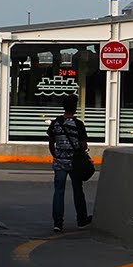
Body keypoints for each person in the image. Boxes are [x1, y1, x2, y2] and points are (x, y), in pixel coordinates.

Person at [46, 94, 91, 232]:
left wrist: (56, 155)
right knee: (78, 190)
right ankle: (81, 219)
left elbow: (51, 143)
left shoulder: (56, 123)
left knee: (59, 191)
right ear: (75, 108)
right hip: (75, 161)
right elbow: (83, 145)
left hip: (60, 161)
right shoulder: (78, 124)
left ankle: (58, 223)